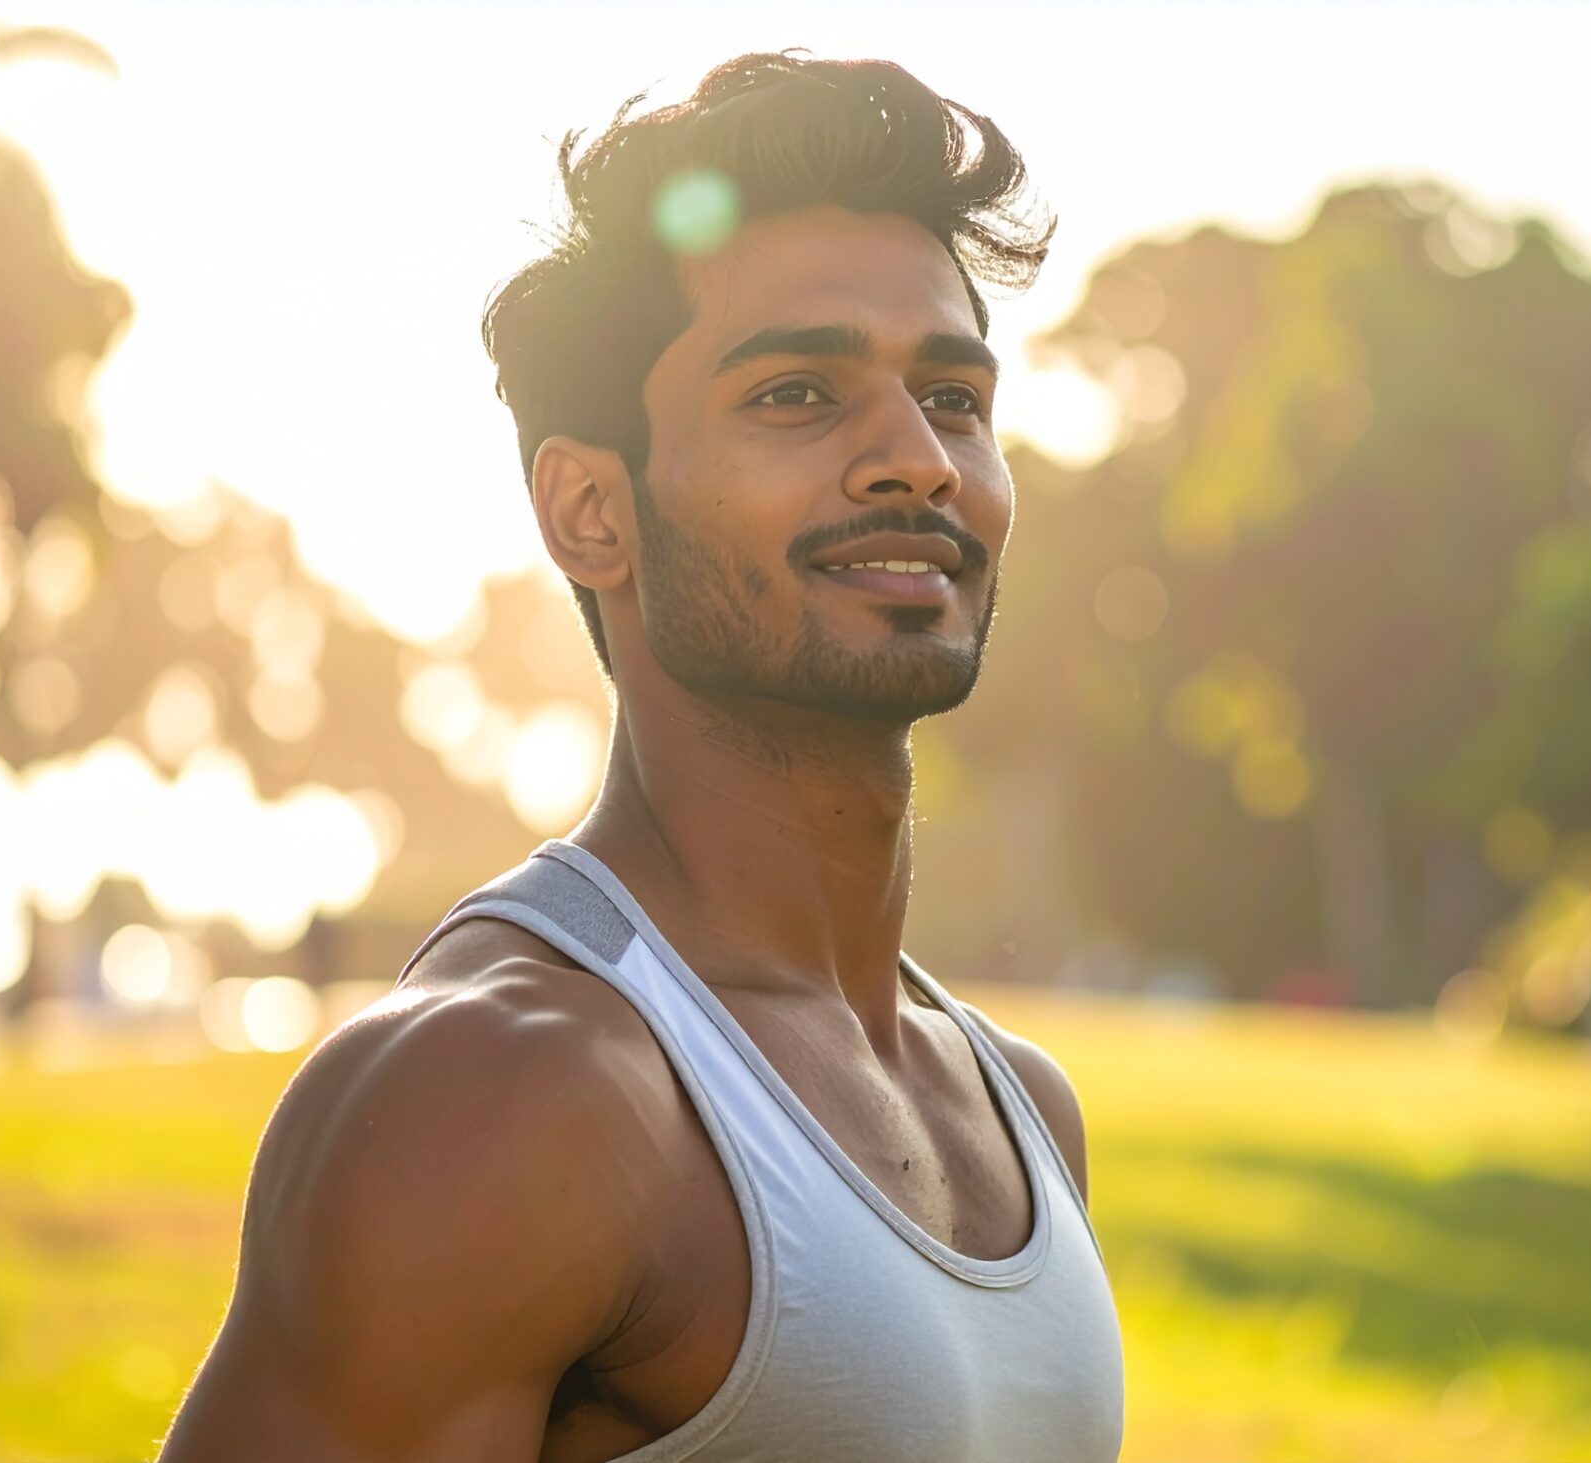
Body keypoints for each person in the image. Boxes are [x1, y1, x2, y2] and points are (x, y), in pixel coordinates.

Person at [158, 52, 1125, 1462]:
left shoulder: (1022, 1113)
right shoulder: (497, 1094)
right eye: (799, 395)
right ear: (589, 512)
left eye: (955, 398)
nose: (915, 458)